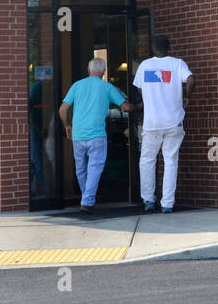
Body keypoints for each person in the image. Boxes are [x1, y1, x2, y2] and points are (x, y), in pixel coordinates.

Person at [59, 57, 136, 213]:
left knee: (81, 169)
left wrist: (67, 126)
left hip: (78, 135)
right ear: (104, 71)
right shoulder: (106, 87)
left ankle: (86, 198)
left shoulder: (77, 85)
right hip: (97, 136)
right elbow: (126, 107)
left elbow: (62, 109)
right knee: (94, 168)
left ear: (88, 70)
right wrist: (142, 106)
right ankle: (87, 201)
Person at [133, 34, 194, 213]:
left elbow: (139, 88)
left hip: (152, 123)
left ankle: (148, 200)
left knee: (147, 160)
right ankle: (167, 204)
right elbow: (191, 79)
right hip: (173, 122)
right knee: (171, 161)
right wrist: (187, 96)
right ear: (169, 47)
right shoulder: (177, 63)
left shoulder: (145, 66)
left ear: (153, 48)